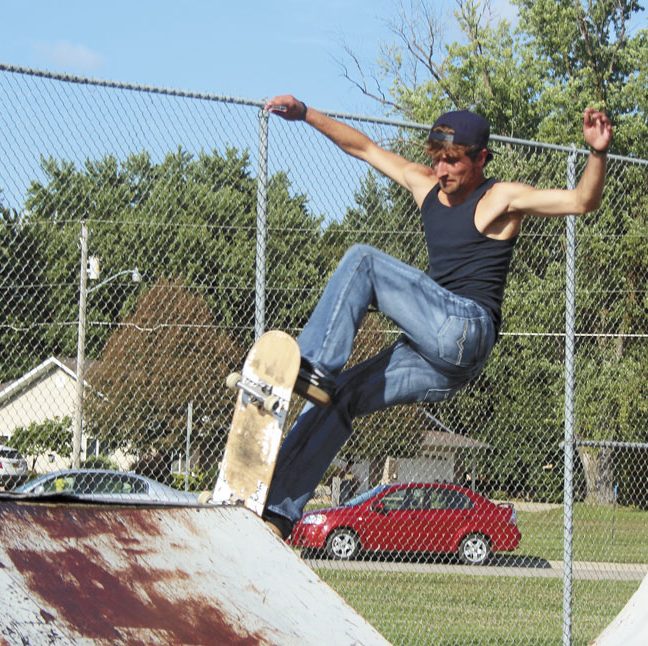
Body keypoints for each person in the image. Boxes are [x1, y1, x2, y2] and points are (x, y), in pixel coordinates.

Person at [259, 95, 613, 537]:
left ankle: (311, 365)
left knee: (363, 262)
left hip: (467, 326)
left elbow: (582, 201)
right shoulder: (425, 184)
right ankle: (275, 512)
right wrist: (307, 114)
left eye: (454, 162)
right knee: (340, 398)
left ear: (481, 158)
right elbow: (364, 148)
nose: (443, 172)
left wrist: (597, 152)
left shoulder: (500, 196)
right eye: (438, 160)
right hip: (443, 365)